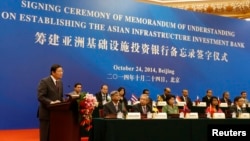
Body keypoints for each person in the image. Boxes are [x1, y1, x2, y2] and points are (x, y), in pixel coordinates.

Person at [37, 64, 64, 141]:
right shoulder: (44, 81)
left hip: (56, 114)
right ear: (53, 72)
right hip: (46, 114)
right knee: (45, 137)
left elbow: (60, 98)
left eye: (62, 71)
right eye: (59, 71)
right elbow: (40, 96)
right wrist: (51, 102)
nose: (62, 73)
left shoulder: (60, 83)